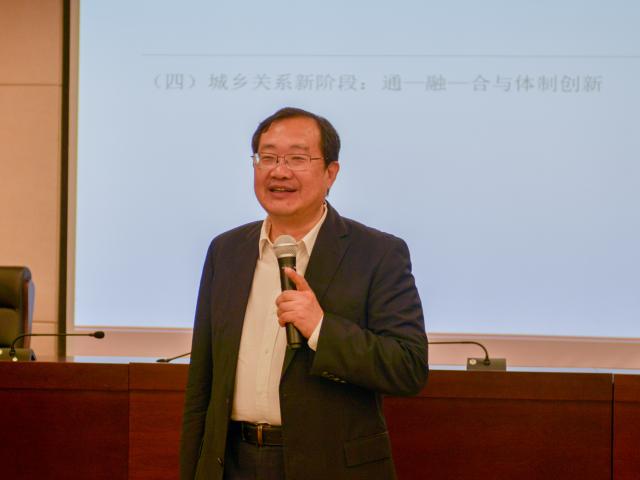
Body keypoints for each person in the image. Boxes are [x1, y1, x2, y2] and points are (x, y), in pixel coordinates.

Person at [180, 107, 428, 480]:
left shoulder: (377, 253)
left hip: (329, 466)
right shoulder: (226, 251)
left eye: (297, 158)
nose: (279, 172)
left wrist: (321, 329)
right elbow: (202, 381)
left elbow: (408, 367)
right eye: (268, 158)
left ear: (331, 173)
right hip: (232, 462)